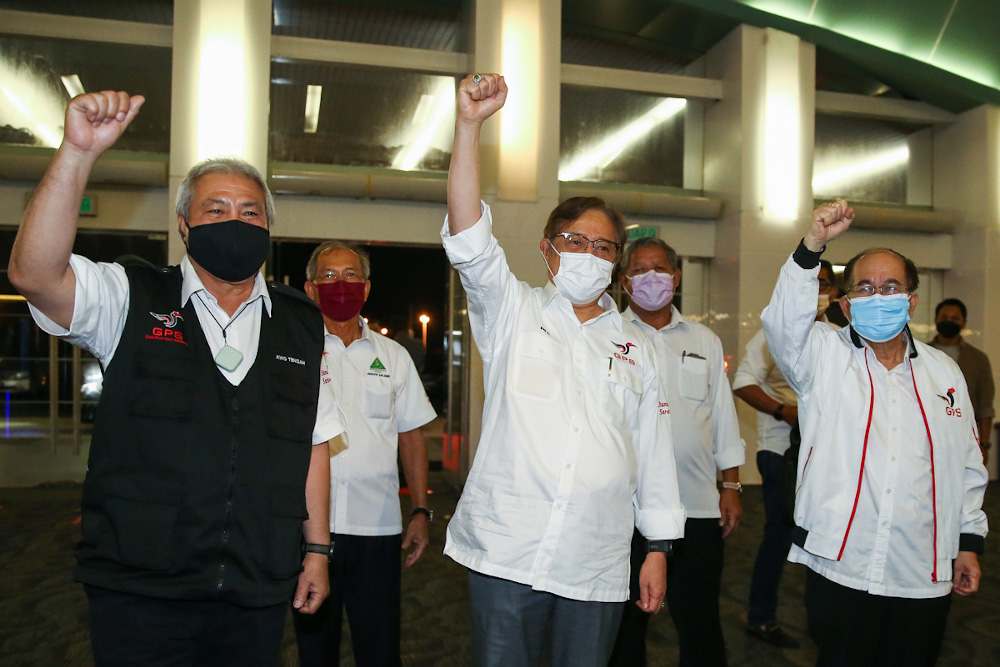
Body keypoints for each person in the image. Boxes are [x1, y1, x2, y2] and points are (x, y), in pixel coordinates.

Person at [8, 91, 346, 666]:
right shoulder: (131, 297)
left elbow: (313, 443)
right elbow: (35, 274)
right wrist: (77, 151)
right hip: (141, 588)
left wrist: (317, 550)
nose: (234, 221)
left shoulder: (300, 322)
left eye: (250, 212)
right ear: (185, 227)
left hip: (256, 588)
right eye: (216, 210)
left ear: (269, 228)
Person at [442, 74, 684, 667]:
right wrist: (469, 126)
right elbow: (471, 237)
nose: (590, 254)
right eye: (576, 240)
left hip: (595, 556)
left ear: (616, 263)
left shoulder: (637, 346)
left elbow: (652, 451)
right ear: (548, 249)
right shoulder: (512, 310)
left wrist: (657, 549)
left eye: (604, 248)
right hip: (507, 549)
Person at [761, 199, 988, 666]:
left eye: (891, 287)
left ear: (912, 300)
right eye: (864, 287)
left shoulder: (944, 372)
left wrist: (968, 543)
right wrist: (813, 246)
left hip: (922, 567)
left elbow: (967, 463)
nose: (878, 295)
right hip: (843, 565)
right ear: (844, 304)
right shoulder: (820, 356)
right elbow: (783, 324)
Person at [294, 241, 437, 666]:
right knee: (314, 649)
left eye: (351, 275)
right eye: (330, 276)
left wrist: (420, 511)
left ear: (368, 287)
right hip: (308, 531)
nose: (342, 284)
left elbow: (411, 435)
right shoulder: (293, 353)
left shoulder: (393, 357)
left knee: (379, 650)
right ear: (310, 288)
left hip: (378, 530)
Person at [609, 238, 745, 667]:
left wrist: (732, 485)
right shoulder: (610, 337)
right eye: (641, 270)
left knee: (700, 621)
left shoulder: (703, 340)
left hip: (697, 509)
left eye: (660, 269)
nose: (652, 278)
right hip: (627, 511)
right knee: (625, 625)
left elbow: (723, 417)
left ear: (677, 277)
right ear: (625, 282)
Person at [732, 259, 839, 649]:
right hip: (780, 452)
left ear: (834, 293)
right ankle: (761, 617)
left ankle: (823, 621)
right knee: (780, 537)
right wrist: (784, 411)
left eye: (824, 284)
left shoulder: (835, 336)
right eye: (813, 283)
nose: (818, 291)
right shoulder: (771, 335)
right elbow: (742, 381)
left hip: (824, 456)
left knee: (824, 537)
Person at [929, 298, 994, 464]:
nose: (949, 322)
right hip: (928, 438)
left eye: (955, 319)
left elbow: (985, 406)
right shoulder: (919, 355)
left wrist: (984, 444)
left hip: (966, 440)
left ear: (964, 322)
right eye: (944, 318)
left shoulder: (978, 359)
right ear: (936, 320)